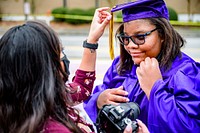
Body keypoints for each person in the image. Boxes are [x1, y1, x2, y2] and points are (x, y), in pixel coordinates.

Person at [84, 0, 200, 133]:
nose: (130, 45)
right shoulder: (121, 66)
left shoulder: (186, 73)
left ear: (162, 34)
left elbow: (189, 127)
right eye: (125, 38)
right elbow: (89, 103)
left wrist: (155, 88)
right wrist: (99, 100)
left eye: (140, 37)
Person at [0, 7, 114, 133]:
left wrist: (92, 41)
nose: (64, 59)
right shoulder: (56, 129)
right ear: (45, 69)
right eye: (60, 53)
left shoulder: (26, 102)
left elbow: (81, 88)